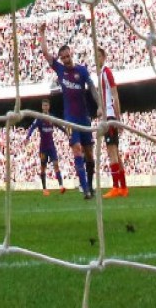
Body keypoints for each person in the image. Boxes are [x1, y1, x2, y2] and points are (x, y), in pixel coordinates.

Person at [38, 23, 99, 199]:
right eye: (63, 57)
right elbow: (46, 55)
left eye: (67, 56)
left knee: (88, 152)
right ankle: (85, 188)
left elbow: (93, 88)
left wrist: (100, 105)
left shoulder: (82, 70)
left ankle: (90, 183)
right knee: (77, 149)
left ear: (71, 54)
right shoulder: (60, 69)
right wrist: (42, 35)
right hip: (69, 118)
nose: (66, 60)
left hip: (84, 117)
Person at [97, 48, 128, 198]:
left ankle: (116, 187)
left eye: (98, 56)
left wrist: (117, 117)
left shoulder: (106, 72)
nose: (96, 59)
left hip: (110, 117)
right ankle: (123, 187)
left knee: (112, 153)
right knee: (116, 152)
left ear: (103, 57)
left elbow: (115, 94)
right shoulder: (102, 74)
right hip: (108, 115)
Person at [25, 99, 67, 196]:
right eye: (44, 105)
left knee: (56, 164)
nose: (45, 107)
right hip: (43, 147)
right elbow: (32, 128)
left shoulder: (52, 118)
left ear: (49, 106)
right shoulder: (39, 118)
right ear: (42, 107)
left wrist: (66, 133)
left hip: (51, 146)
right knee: (43, 167)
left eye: (46, 105)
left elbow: (59, 125)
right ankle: (44, 189)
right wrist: (28, 137)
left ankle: (61, 186)